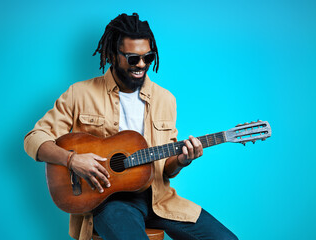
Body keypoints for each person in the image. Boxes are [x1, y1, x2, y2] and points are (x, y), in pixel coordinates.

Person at [24, 13, 238, 240]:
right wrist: (72, 160)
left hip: (159, 199)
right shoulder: (80, 94)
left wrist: (182, 160)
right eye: (133, 58)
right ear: (112, 55)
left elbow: (167, 168)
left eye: (148, 56)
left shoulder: (166, 100)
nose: (142, 64)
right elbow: (34, 138)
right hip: (109, 202)